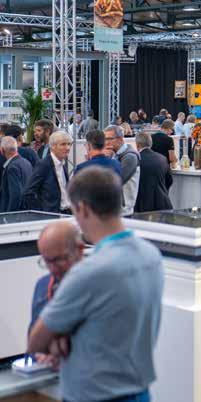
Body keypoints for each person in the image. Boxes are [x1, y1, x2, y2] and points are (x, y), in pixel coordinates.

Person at [28, 166, 164, 402]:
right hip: (140, 392)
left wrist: (61, 334)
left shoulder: (89, 272)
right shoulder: (151, 256)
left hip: (94, 395)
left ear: (82, 208)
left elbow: (36, 342)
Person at [29, 222, 85, 335]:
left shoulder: (99, 286)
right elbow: (32, 338)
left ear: (80, 249)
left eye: (59, 259)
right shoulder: (43, 286)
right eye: (47, 261)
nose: (53, 269)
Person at [22, 131, 73, 214]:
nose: (67, 148)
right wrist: (41, 213)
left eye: (69, 144)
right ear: (52, 146)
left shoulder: (62, 164)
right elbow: (28, 192)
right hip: (52, 215)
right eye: (63, 144)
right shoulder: (44, 165)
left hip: (66, 213)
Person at [104, 125, 140, 215]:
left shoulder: (129, 157)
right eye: (105, 139)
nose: (106, 142)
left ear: (120, 139)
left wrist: (106, 159)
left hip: (123, 211)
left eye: (109, 139)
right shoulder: (115, 154)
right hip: (114, 208)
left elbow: (115, 181)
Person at [135, 132, 173, 213]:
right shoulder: (162, 158)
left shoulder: (135, 159)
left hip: (142, 205)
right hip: (163, 203)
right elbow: (169, 180)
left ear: (137, 145)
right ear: (151, 144)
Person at [0, 137, 32, 212]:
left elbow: (16, 195)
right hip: (26, 210)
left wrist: (10, 215)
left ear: (2, 150)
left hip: (14, 214)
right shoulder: (26, 163)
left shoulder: (12, 168)